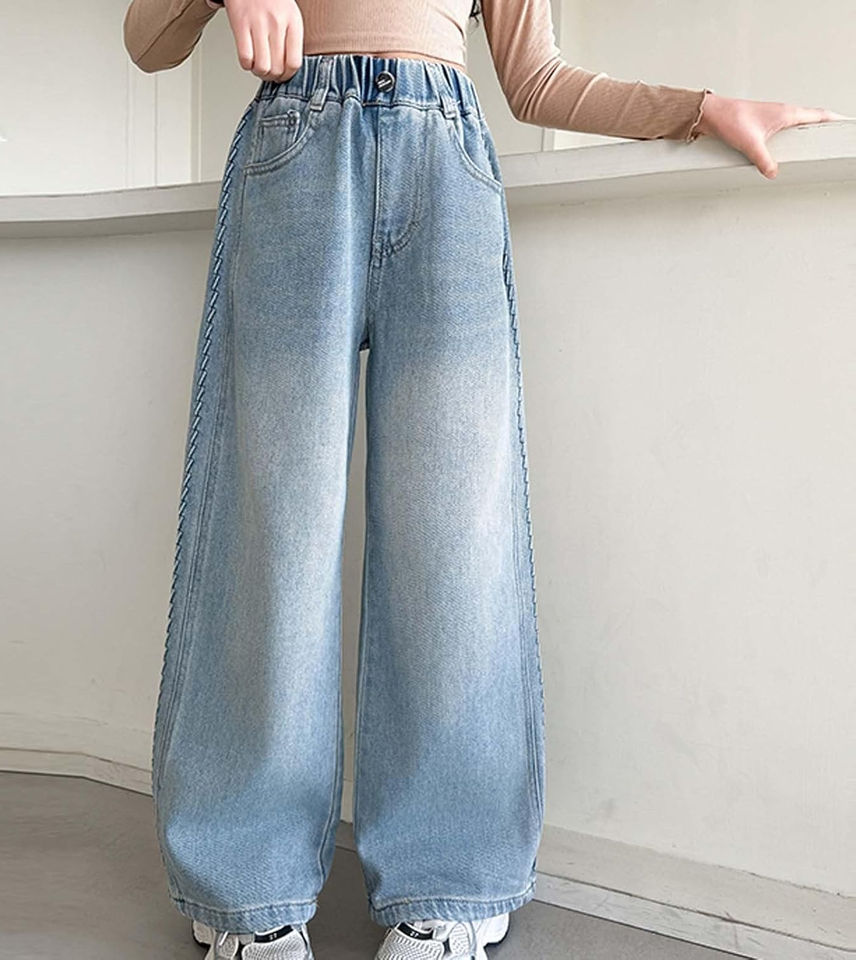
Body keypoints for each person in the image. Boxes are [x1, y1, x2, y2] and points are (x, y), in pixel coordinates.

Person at [122, 2, 844, 958]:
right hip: (294, 155)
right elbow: (146, 40)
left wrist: (702, 108)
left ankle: (449, 881)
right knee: (273, 531)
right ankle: (247, 896)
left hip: (449, 171)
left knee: (454, 535)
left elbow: (537, 80)